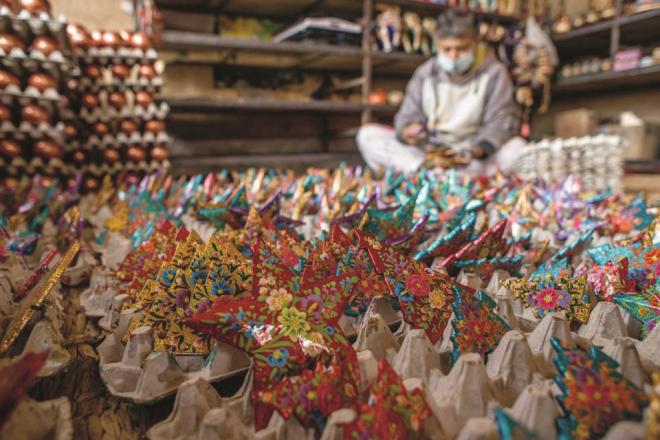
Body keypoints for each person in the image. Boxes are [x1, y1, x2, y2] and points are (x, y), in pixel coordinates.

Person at [357, 10, 524, 175]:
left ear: (475, 42)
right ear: (437, 43)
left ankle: (442, 175)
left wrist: (473, 152)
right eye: (447, 49)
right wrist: (407, 132)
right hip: (430, 153)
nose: (453, 56)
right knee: (368, 135)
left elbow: (500, 123)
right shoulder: (426, 73)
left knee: (516, 148)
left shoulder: (494, 73)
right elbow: (407, 116)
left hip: (472, 154)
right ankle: (425, 171)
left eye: (461, 49)